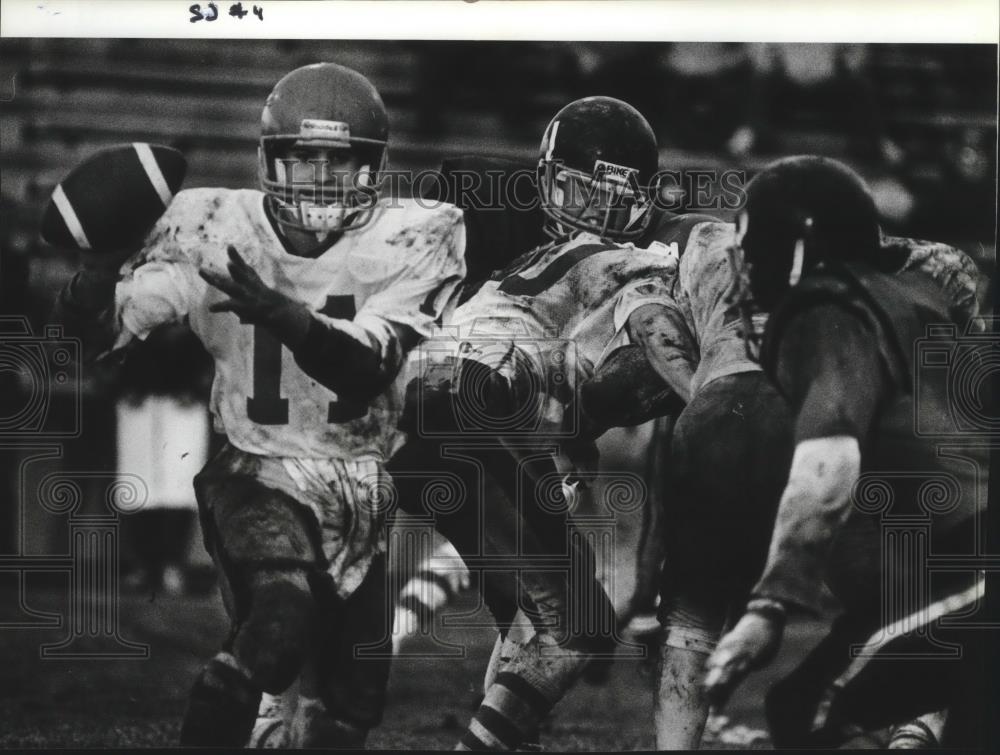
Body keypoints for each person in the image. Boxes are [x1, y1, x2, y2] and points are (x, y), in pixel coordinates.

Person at [50, 62, 466, 747]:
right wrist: (97, 272)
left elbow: (365, 367)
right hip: (257, 472)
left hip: (364, 483)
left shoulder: (417, 233)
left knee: (342, 721)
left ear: (374, 169)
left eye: (342, 163)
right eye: (305, 162)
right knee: (277, 623)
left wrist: (285, 315)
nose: (323, 181)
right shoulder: (212, 224)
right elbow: (97, 336)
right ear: (272, 162)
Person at [695, 156, 987, 747]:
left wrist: (771, 604)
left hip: (975, 561)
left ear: (797, 252)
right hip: (959, 555)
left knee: (805, 709)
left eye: (755, 248)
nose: (745, 267)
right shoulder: (914, 292)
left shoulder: (824, 309)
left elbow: (831, 464)